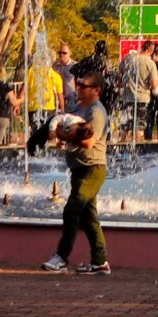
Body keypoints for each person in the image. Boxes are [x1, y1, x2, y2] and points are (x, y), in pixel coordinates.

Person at [42, 66, 111, 275]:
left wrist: (62, 136)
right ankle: (100, 262)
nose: (78, 88)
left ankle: (62, 257)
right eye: (78, 84)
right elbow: (64, 126)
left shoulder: (96, 112)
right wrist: (62, 136)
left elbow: (89, 142)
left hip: (92, 169)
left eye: (84, 86)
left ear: (96, 90)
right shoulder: (77, 108)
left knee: (72, 210)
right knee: (88, 217)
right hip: (79, 168)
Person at [114, 45, 157, 142]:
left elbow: (118, 75)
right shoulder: (150, 63)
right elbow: (154, 85)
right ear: (150, 51)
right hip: (142, 97)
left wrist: (123, 84)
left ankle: (120, 145)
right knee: (138, 125)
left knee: (124, 124)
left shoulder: (129, 58)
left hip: (127, 96)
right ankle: (136, 147)